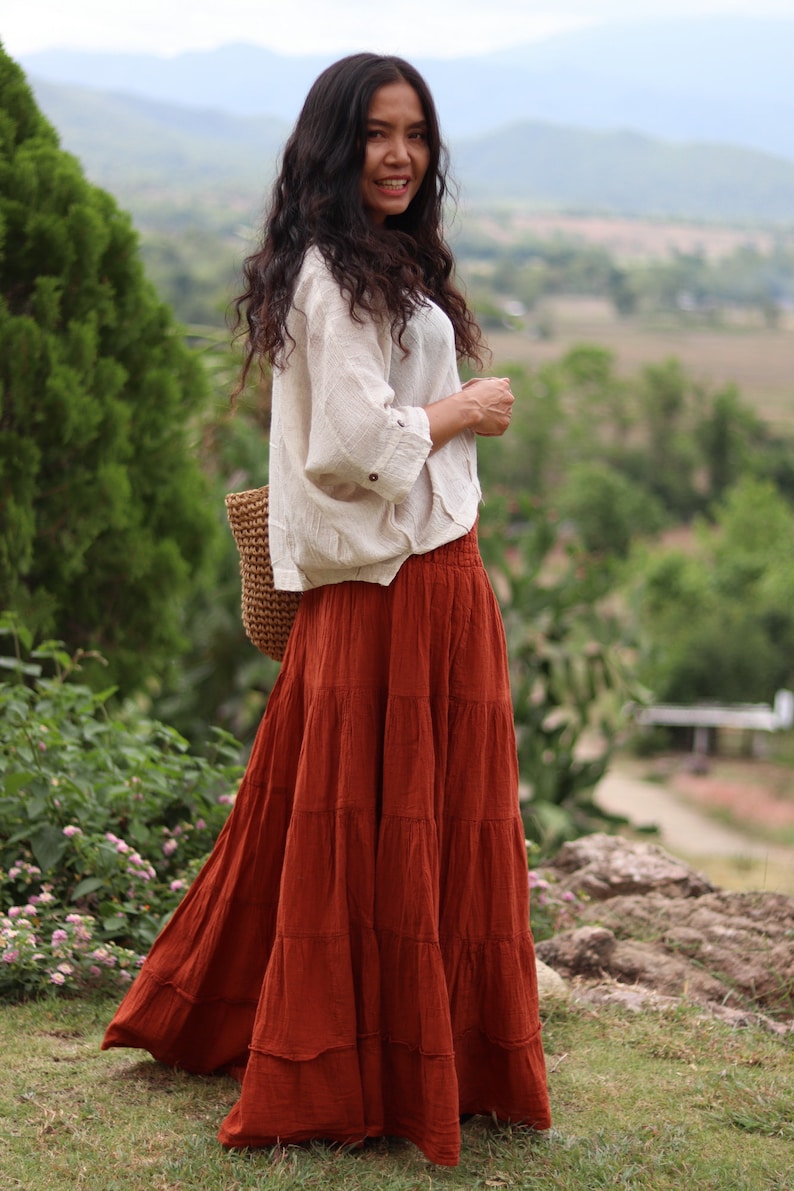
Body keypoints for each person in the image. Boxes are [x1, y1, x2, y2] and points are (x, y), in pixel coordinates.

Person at [102, 52, 551, 1167]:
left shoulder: (381, 258)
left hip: (426, 575)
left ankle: (411, 1052)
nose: (398, 155)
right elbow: (348, 448)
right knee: (372, 826)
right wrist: (457, 413)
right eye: (376, 135)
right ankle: (359, 1072)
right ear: (332, 143)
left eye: (414, 134)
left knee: (396, 822)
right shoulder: (329, 273)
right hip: (390, 584)